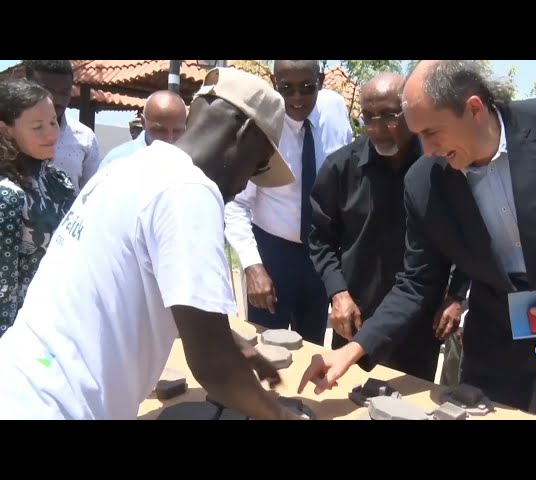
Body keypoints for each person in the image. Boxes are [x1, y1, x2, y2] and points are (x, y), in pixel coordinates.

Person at [298, 60, 536, 420]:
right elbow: (416, 283)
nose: (426, 149)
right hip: (498, 348)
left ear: (474, 108)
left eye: (432, 133)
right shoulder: (424, 183)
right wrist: (352, 351)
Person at [0, 67, 306, 420]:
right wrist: (283, 417)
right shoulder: (189, 190)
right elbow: (214, 367)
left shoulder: (131, 168)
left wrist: (240, 349)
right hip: (55, 407)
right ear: (243, 132)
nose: (245, 185)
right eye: (258, 165)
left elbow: (151, 289)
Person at [309, 72, 468, 381]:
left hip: (420, 321)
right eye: (368, 118)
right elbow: (320, 239)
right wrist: (338, 293)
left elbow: (467, 237)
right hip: (355, 317)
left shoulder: (443, 169)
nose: (378, 129)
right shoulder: (340, 168)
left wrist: (456, 296)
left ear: (411, 112)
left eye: (389, 116)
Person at [224, 60, 353, 345]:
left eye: (307, 88)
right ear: (273, 81)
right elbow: (235, 205)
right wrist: (252, 266)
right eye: (286, 88)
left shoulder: (335, 111)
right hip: (271, 256)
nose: (296, 98)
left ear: (320, 79)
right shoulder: (258, 125)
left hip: (319, 253)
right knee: (267, 350)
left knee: (311, 348)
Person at [0, 78, 76, 338]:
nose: (52, 134)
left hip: (62, 326)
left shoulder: (61, 183)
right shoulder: (7, 196)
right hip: (23, 338)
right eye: (38, 127)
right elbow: (4, 290)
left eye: (53, 122)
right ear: (6, 130)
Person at [24, 60, 100, 194]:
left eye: (64, 92)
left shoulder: (85, 137)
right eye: (47, 91)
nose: (57, 100)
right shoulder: (8, 133)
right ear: (28, 86)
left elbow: (90, 197)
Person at [99, 90, 188, 171]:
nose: (169, 139)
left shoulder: (190, 162)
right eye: (160, 130)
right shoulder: (116, 161)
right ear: (143, 123)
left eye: (177, 131)